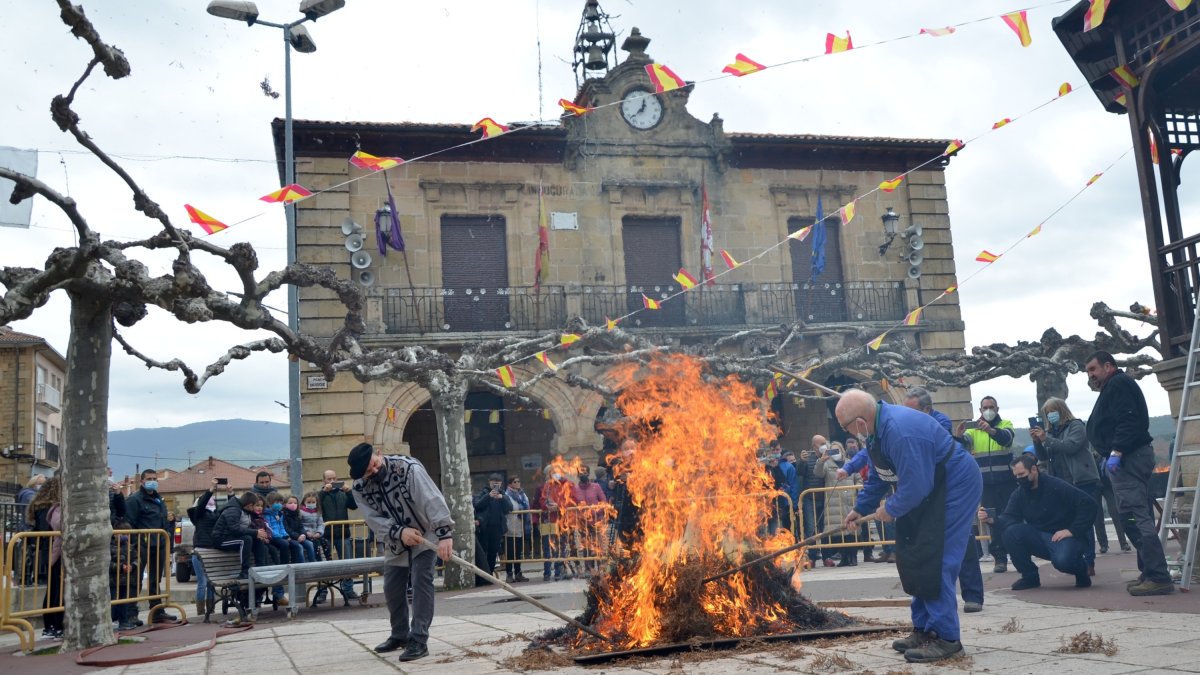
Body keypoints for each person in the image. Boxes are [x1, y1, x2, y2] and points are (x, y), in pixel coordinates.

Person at [839, 389, 982, 664]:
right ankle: (924, 629)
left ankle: (947, 638)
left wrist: (890, 509)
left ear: (858, 423)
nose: (846, 432)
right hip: (928, 487)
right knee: (913, 553)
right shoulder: (874, 430)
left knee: (936, 556)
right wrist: (859, 509)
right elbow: (881, 476)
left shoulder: (900, 432)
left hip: (953, 484)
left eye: (845, 427)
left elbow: (917, 485)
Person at [350, 443, 454, 663]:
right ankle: (400, 634)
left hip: (426, 534)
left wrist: (445, 534)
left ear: (378, 453)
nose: (375, 472)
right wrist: (399, 532)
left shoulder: (409, 468)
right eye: (369, 472)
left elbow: (432, 499)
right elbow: (373, 519)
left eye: (375, 465)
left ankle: (419, 639)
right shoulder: (359, 487)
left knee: (421, 582)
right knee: (392, 588)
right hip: (395, 540)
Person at [1085, 350, 1174, 596]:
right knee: (1134, 515)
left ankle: (1157, 576)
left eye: (1093, 369)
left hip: (1128, 458)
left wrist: (1117, 451)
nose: (1090, 375)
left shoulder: (1118, 384)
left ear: (1108, 366)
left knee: (1135, 517)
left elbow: (1128, 420)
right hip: (1128, 457)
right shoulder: (1116, 385)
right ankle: (1150, 571)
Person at [903, 387, 985, 613]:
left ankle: (973, 595)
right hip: (932, 489)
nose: (907, 416)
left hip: (954, 487)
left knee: (964, 542)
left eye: (912, 411)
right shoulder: (915, 423)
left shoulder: (939, 422)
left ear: (926, 409)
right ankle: (932, 602)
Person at [979, 455, 1097, 590]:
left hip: (1065, 536)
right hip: (1039, 536)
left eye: (1022, 474)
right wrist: (992, 520)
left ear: (1034, 469)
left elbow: (1089, 504)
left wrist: (1073, 530)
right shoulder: (1019, 494)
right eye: (1016, 476)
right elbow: (1009, 517)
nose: (1019, 479)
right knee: (1011, 532)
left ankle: (1081, 569)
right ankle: (1029, 576)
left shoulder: (1057, 486)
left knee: (1064, 562)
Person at [1031, 397, 1101, 575]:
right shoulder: (1050, 432)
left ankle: (1089, 560)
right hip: (1061, 482)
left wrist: (1047, 438)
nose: (1050, 415)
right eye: (1047, 413)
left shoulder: (1076, 426)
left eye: (1052, 411)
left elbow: (1071, 446)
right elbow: (1044, 456)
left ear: (1062, 410)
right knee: (1068, 522)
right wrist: (1038, 442)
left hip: (1081, 480)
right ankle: (1076, 558)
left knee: (1084, 522)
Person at [955, 396, 1015, 573]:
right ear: (980, 411)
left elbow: (1007, 439)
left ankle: (1018, 553)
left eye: (991, 407)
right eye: (985, 407)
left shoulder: (1005, 424)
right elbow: (961, 448)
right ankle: (1000, 559)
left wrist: (991, 430)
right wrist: (958, 436)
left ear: (997, 408)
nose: (988, 410)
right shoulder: (974, 430)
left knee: (1011, 518)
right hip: (986, 484)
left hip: (1007, 481)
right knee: (992, 520)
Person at [123, 469, 178, 622]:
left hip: (159, 544)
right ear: (142, 481)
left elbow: (163, 521)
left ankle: (157, 611)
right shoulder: (135, 500)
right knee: (135, 579)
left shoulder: (159, 499)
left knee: (155, 580)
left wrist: (167, 534)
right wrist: (136, 542)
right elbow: (129, 524)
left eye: (154, 478)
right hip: (141, 545)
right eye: (149, 478)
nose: (152, 481)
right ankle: (131, 613)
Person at [186, 477, 232, 618]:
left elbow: (229, 509)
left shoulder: (216, 514)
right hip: (200, 551)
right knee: (203, 582)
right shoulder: (198, 515)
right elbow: (203, 504)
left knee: (210, 582)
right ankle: (201, 612)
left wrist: (230, 493)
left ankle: (210, 609)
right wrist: (211, 489)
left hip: (212, 550)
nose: (211, 501)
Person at [26, 475, 64, 639]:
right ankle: (54, 625)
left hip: (46, 550)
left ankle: (51, 626)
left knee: (53, 587)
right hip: (52, 550)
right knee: (56, 588)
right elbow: (46, 530)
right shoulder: (48, 507)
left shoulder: (38, 505)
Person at [815, 441, 859, 566]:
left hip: (850, 500)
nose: (835, 452)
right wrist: (821, 460)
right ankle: (844, 557)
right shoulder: (827, 464)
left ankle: (853, 557)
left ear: (842, 450)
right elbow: (818, 473)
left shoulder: (850, 462)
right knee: (840, 531)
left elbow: (858, 478)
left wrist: (859, 492)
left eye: (837, 449)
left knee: (852, 529)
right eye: (832, 450)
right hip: (834, 502)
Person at [319, 469, 360, 600]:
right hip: (326, 535)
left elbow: (354, 506)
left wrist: (349, 492)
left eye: (334, 479)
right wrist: (324, 491)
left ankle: (348, 590)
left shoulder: (343, 493)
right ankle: (323, 592)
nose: (332, 481)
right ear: (323, 481)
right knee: (324, 566)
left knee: (347, 564)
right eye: (329, 479)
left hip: (343, 534)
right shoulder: (321, 494)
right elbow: (316, 506)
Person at [212, 492, 271, 581]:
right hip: (221, 539)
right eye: (254, 506)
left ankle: (260, 569)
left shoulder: (245, 510)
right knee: (246, 540)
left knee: (257, 539)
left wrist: (259, 534)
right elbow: (234, 529)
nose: (255, 508)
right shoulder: (233, 510)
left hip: (232, 537)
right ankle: (244, 572)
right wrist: (255, 532)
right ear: (250, 505)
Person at [473, 473, 511, 586]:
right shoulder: (483, 493)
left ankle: (489, 576)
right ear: (489, 482)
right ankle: (483, 577)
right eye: (493, 482)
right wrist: (489, 496)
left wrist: (502, 498)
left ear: (501, 483)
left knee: (493, 553)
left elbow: (509, 508)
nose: (496, 484)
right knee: (483, 553)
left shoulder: (503, 494)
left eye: (498, 482)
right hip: (484, 528)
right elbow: (478, 505)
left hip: (497, 529)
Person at [576, 465, 608, 571]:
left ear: (589, 474)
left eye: (585, 472)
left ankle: (600, 567)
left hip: (596, 521)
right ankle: (588, 568)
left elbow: (604, 501)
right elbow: (573, 505)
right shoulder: (575, 489)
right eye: (581, 472)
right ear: (578, 475)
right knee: (586, 546)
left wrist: (596, 512)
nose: (583, 474)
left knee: (597, 545)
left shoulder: (596, 486)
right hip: (582, 522)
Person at [110, 518, 139, 631]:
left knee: (124, 601)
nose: (124, 536)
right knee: (113, 601)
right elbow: (109, 563)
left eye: (127, 534)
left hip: (126, 579)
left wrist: (132, 566)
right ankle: (112, 620)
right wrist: (120, 567)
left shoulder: (130, 547)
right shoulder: (111, 547)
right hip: (113, 580)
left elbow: (137, 559)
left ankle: (124, 620)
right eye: (121, 533)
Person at [503, 476, 531, 583]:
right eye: (515, 482)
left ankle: (518, 573)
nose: (518, 483)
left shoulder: (523, 495)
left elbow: (527, 508)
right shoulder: (506, 496)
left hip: (520, 527)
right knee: (510, 553)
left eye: (519, 481)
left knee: (518, 552)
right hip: (509, 528)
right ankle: (509, 574)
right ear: (510, 484)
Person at [264, 492, 303, 566]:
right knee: (284, 543)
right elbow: (268, 528)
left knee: (295, 544)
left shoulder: (279, 514)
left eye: (280, 502)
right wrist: (281, 537)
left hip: (281, 536)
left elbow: (281, 527)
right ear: (269, 503)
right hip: (273, 537)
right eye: (276, 502)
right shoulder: (266, 514)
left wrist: (286, 535)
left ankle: (295, 565)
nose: (279, 504)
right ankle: (284, 565)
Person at [283, 495, 317, 562]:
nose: (293, 505)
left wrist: (303, 534)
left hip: (299, 536)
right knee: (299, 547)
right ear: (285, 504)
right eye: (290, 503)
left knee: (310, 544)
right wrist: (297, 536)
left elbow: (301, 526)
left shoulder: (297, 514)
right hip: (290, 538)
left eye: (295, 503)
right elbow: (287, 529)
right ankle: (302, 566)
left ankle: (313, 564)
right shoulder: (283, 515)